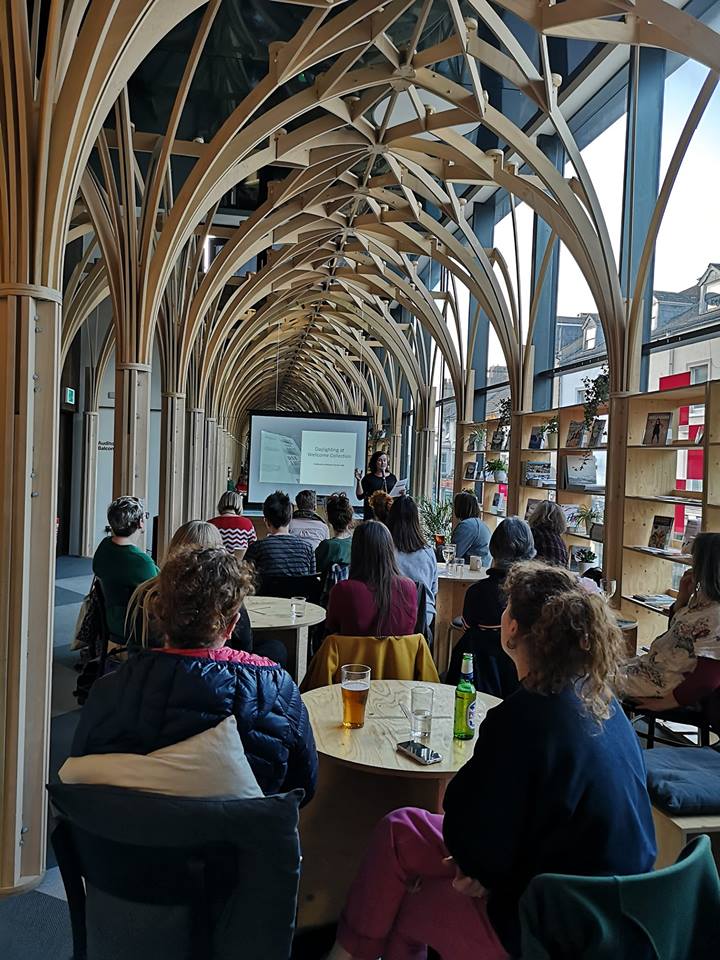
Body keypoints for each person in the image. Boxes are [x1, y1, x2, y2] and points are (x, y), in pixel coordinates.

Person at [328, 562, 656, 960]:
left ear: (513, 628)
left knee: (405, 885)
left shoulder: (523, 716)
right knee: (404, 834)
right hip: (621, 913)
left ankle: (346, 951)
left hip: (552, 927)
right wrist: (484, 866)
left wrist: (484, 871)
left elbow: (470, 824)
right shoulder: (606, 705)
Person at [72, 545, 317, 801]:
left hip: (129, 836)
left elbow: (83, 783)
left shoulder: (107, 691)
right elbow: (304, 788)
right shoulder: (277, 688)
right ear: (233, 623)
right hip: (243, 837)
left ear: (159, 611)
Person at [127, 520, 286, 667]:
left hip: (153, 671)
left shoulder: (145, 593)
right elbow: (244, 646)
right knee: (276, 649)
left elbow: (134, 648)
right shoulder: (224, 595)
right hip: (217, 671)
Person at [620, 532, 720, 707]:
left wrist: (663, 704)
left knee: (587, 680)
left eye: (694, 559)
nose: (691, 564)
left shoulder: (716, 614)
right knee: (587, 670)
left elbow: (707, 679)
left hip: (663, 684)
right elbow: (676, 634)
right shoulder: (703, 599)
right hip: (652, 670)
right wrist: (682, 599)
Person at [446, 516, 536, 692]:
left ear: (493, 549)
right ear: (529, 551)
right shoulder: (533, 595)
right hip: (521, 682)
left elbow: (468, 630)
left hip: (479, 679)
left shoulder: (476, 592)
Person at [325, 521, 418, 636]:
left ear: (356, 551)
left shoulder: (343, 590)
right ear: (389, 550)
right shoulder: (409, 588)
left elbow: (332, 627)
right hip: (398, 654)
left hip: (352, 654)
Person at [92, 496, 159, 645]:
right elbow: (157, 593)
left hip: (110, 618)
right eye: (145, 516)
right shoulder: (140, 561)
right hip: (134, 623)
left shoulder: (104, 546)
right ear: (140, 522)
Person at [387, 495, 438, 630]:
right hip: (423, 620)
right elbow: (433, 590)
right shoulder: (428, 552)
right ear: (416, 519)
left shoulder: (385, 550)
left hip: (391, 619)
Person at [244, 490, 316, 581]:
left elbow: (244, 580)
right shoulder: (308, 549)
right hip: (297, 595)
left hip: (265, 595)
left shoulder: (256, 548)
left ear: (266, 521)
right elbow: (312, 582)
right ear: (290, 519)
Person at [208, 490, 256, 558]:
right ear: (239, 504)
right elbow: (253, 548)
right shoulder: (247, 523)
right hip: (239, 565)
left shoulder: (210, 524)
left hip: (215, 565)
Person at [315, 492, 354, 576]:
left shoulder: (326, 545)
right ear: (350, 519)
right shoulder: (356, 545)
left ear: (328, 519)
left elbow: (315, 569)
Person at [355, 451, 398, 521]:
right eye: (380, 460)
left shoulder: (392, 478)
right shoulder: (368, 478)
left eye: (384, 460)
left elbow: (395, 495)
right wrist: (359, 481)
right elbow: (360, 496)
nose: (383, 463)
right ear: (375, 462)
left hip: (388, 514)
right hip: (371, 515)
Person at [450, 491, 491, 566]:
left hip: (470, 571)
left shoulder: (467, 526)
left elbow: (453, 554)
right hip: (481, 569)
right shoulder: (480, 524)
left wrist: (438, 548)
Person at [527, 500, 569, 567]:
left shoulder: (534, 533)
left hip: (539, 574)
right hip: (559, 575)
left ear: (536, 515)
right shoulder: (559, 540)